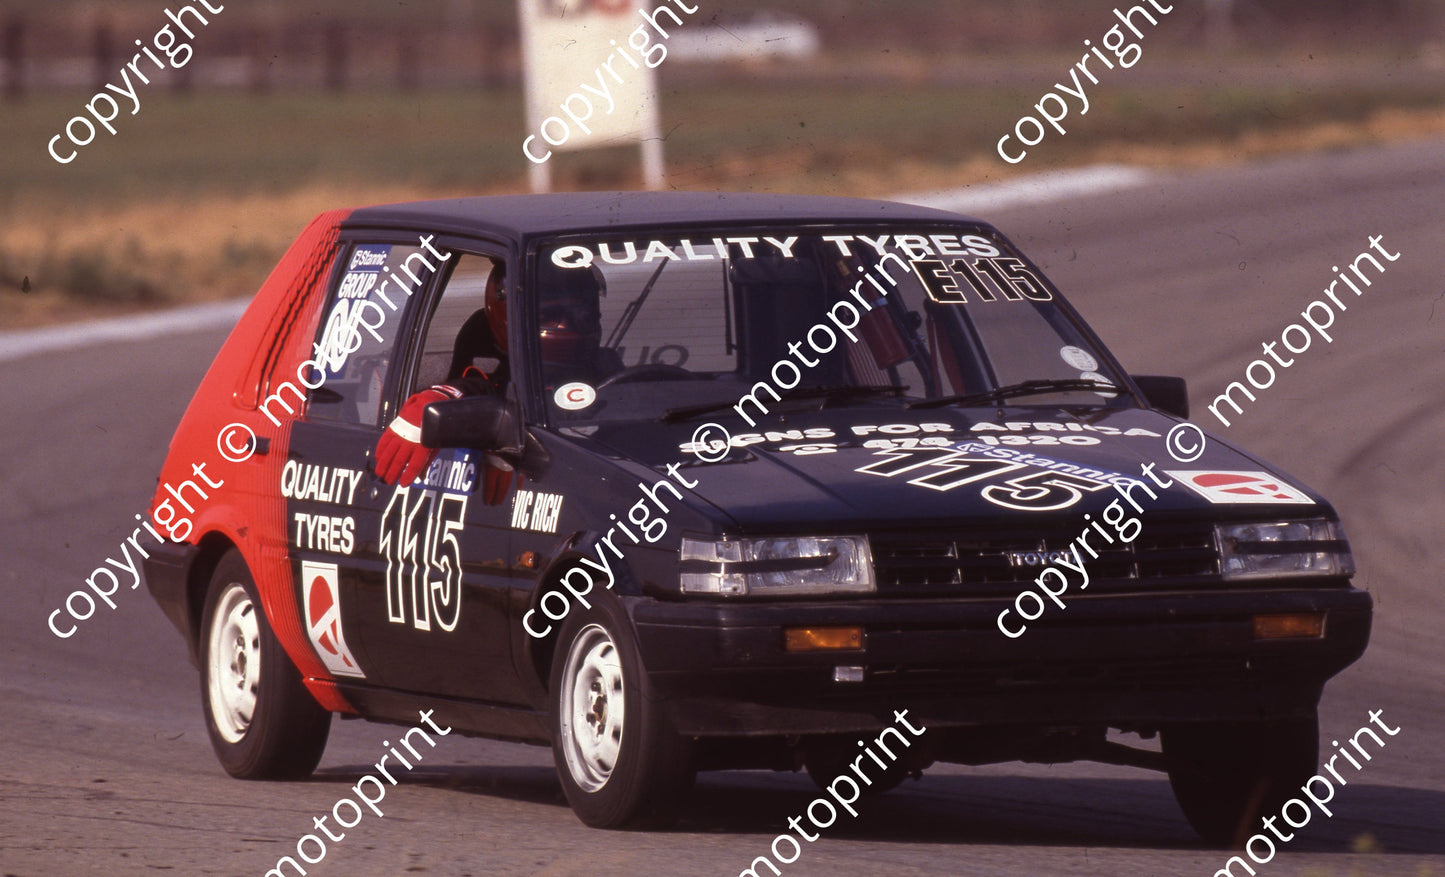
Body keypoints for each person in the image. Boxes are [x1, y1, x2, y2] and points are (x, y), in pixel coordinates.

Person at [375, 262, 519, 504]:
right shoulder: (480, 338)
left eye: (588, 309)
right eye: (553, 310)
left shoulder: (602, 366)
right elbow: (480, 385)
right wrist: (442, 400)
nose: (576, 320)